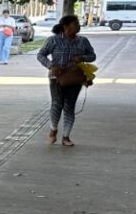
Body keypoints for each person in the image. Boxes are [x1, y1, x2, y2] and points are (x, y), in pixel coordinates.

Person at [36, 14, 96, 147]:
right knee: (57, 104)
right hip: (57, 78)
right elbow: (41, 55)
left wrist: (82, 58)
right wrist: (51, 66)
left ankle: (66, 137)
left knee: (70, 106)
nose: (78, 26)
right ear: (66, 26)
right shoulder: (54, 40)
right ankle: (53, 129)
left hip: (75, 78)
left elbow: (92, 56)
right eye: (75, 24)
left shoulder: (83, 41)